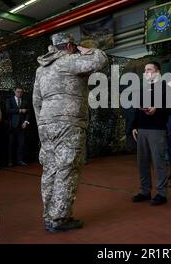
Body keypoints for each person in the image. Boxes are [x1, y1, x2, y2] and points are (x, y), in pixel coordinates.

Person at [33, 32, 108, 233]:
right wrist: (86, 49)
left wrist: (43, 123)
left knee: (50, 170)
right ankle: (60, 219)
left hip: (46, 124)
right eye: (73, 45)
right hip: (69, 123)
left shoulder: (42, 69)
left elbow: (36, 101)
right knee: (67, 169)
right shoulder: (69, 60)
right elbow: (100, 60)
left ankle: (49, 215)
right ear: (68, 46)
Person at [131, 61, 171, 206]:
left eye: (149, 69)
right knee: (142, 162)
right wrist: (134, 126)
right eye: (145, 70)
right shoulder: (142, 90)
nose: (146, 72)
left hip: (157, 130)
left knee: (158, 163)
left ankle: (161, 194)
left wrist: (157, 108)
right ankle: (145, 191)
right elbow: (137, 111)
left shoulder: (165, 88)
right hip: (142, 130)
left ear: (157, 72)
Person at [5, 87, 30, 167]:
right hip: (12, 126)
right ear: (14, 92)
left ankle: (20, 160)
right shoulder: (9, 100)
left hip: (21, 126)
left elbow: (28, 113)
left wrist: (26, 122)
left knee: (21, 144)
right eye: (18, 92)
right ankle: (10, 161)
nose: (19, 93)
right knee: (11, 144)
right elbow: (8, 110)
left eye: (21, 92)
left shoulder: (25, 101)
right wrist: (19, 110)